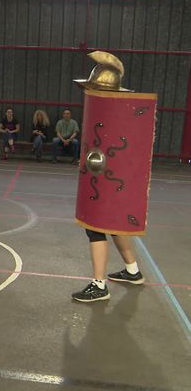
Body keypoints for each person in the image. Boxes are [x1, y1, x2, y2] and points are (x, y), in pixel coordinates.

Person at [71, 51, 156, 302]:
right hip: (107, 178)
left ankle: (100, 285)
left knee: (94, 227)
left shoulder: (117, 115)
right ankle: (133, 270)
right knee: (113, 222)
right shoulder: (108, 113)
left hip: (109, 178)